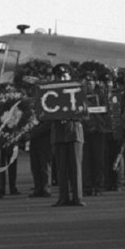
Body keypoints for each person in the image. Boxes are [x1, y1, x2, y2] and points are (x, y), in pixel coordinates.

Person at [50, 63, 86, 207]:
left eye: (64, 76)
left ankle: (77, 197)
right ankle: (63, 197)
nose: (61, 79)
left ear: (70, 76)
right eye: (59, 76)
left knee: (75, 167)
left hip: (74, 131)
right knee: (61, 168)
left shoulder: (78, 89)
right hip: (59, 133)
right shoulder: (50, 92)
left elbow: (84, 112)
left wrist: (72, 115)